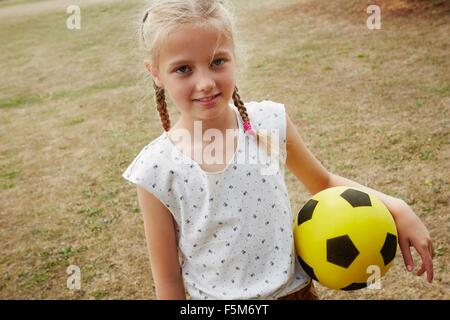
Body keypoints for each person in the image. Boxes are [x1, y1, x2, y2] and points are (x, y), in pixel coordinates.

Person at [122, 0, 434, 300]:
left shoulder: (268, 123)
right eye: (183, 69)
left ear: (235, 56)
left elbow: (322, 183)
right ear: (156, 73)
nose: (205, 82)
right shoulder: (156, 169)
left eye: (217, 62)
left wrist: (396, 206)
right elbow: (167, 278)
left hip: (295, 295)